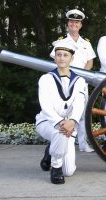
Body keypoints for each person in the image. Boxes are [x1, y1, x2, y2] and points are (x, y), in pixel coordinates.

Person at [36, 40, 87, 184]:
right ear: (55, 57)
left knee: (69, 172)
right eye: (59, 55)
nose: (62, 58)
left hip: (70, 125)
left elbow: (79, 104)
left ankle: (50, 151)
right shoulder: (46, 79)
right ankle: (56, 167)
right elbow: (45, 106)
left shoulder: (79, 81)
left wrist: (72, 121)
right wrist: (61, 123)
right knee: (59, 131)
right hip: (47, 122)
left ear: (72, 58)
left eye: (65, 55)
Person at [50, 9, 96, 153]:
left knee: (82, 113)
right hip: (65, 81)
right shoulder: (61, 42)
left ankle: (83, 144)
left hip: (82, 82)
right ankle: (63, 143)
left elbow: (90, 62)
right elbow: (55, 60)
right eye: (71, 22)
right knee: (64, 113)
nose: (74, 24)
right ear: (67, 24)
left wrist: (83, 76)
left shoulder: (86, 43)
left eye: (77, 22)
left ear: (80, 25)